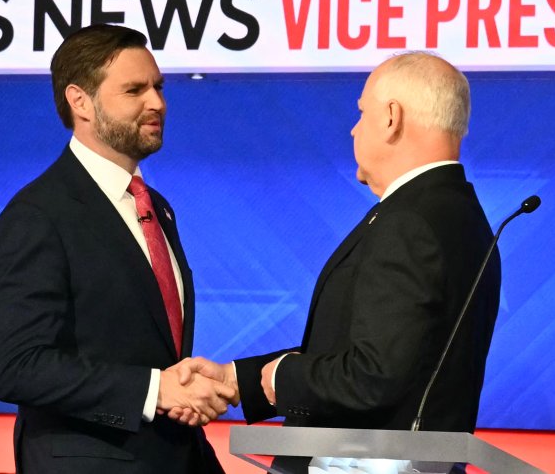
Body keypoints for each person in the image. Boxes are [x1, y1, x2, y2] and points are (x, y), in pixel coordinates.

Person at [170, 51, 501, 471]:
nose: (353, 128)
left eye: (362, 113)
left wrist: (277, 379)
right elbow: (368, 348)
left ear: (391, 118)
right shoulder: (460, 215)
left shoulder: (410, 222)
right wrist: (239, 380)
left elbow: (373, 376)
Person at [0, 24, 234, 474]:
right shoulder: (38, 215)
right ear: (80, 101)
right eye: (134, 90)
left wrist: (176, 392)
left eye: (158, 87)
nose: (157, 103)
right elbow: (18, 366)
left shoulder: (156, 207)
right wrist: (156, 391)